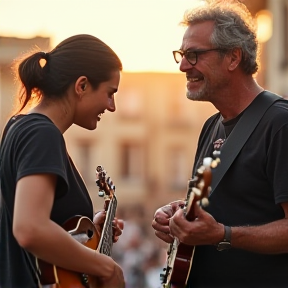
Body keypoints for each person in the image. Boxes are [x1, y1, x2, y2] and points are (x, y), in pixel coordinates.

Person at [152, 0, 288, 287]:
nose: (182, 65)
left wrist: (223, 234)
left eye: (194, 54)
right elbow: (226, 207)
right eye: (181, 54)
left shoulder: (280, 125)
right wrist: (179, 215)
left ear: (233, 58)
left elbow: (222, 228)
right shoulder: (211, 126)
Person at [0, 34, 126, 288]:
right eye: (110, 93)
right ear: (81, 86)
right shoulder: (42, 134)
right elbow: (29, 229)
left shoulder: (20, 126)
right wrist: (107, 268)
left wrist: (86, 235)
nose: (112, 106)